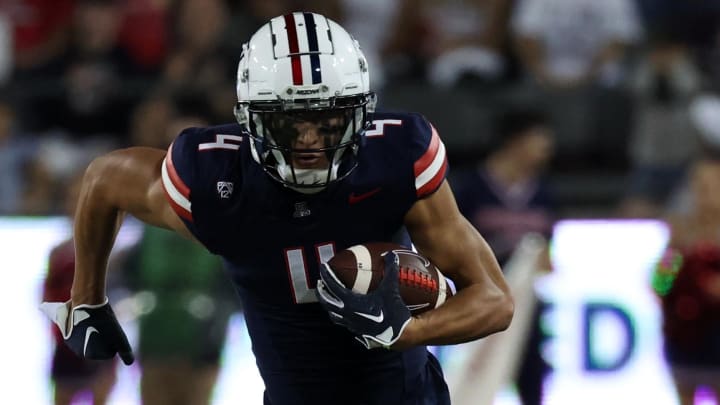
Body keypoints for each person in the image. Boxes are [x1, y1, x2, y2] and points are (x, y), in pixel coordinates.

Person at [41, 12, 513, 404]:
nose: (308, 139)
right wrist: (87, 299)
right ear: (250, 118)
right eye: (289, 123)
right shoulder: (216, 180)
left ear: (360, 115)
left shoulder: (395, 160)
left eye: (327, 120)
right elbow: (104, 179)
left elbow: (494, 300)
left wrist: (406, 330)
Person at [450, 108, 555, 405]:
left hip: (525, 306)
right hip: (478, 302)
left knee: (532, 376)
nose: (547, 150)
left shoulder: (544, 192)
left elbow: (547, 254)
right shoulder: (472, 188)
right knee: (473, 378)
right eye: (540, 141)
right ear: (516, 142)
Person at [42, 174, 117, 405]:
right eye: (73, 200)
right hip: (67, 346)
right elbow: (48, 300)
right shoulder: (59, 253)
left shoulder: (112, 250)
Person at [652, 158, 720, 405]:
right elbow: (660, 284)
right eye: (699, 186)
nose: (706, 194)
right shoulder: (681, 237)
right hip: (685, 339)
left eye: (713, 186)